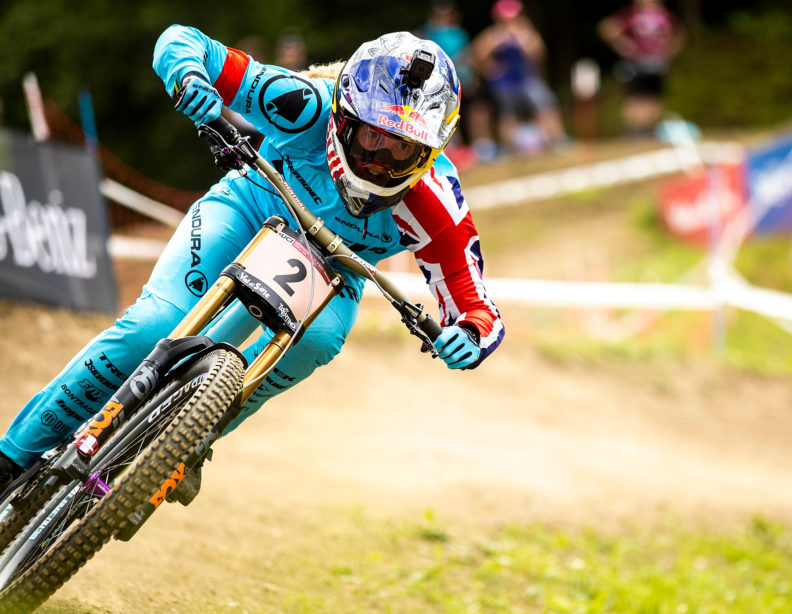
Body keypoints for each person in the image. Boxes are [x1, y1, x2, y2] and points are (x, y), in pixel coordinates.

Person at [0, 25, 505, 489]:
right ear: (343, 115)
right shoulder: (303, 106)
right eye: (372, 135)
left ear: (430, 153)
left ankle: (193, 437)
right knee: (154, 324)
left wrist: (467, 337)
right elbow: (181, 41)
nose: (378, 160)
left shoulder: (436, 204)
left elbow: (477, 308)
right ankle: (13, 454)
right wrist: (188, 78)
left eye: (401, 151)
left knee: (320, 340)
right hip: (250, 209)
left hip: (335, 269)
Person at [470, 0, 568, 155]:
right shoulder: (492, 34)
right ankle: (511, 148)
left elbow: (540, 53)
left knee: (546, 106)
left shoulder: (526, 32)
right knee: (508, 115)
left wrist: (524, 39)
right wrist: (489, 67)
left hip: (528, 78)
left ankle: (557, 140)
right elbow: (477, 55)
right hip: (504, 84)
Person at [417, 1, 492, 165]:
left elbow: (468, 55)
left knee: (476, 111)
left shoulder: (459, 32)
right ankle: (453, 152)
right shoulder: (426, 33)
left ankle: (483, 148)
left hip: (465, 79)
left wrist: (474, 74)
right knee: (447, 117)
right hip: (442, 83)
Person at [599, 0, 685, 137]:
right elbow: (607, 28)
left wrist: (671, 50)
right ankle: (635, 131)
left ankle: (652, 131)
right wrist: (622, 45)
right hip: (637, 63)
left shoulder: (663, 15)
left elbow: (679, 33)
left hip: (658, 63)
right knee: (636, 97)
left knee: (655, 97)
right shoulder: (631, 15)